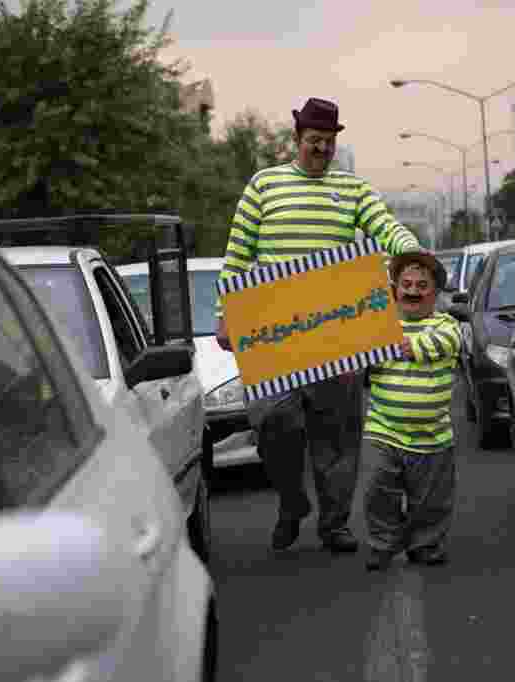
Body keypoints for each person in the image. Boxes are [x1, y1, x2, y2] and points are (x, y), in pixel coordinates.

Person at [215, 97, 422, 554]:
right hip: (273, 326)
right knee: (272, 420)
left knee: (338, 436)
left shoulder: (352, 190)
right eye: (314, 142)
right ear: (298, 140)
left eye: (328, 143)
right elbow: (238, 252)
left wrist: (411, 255)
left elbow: (385, 226)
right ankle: (292, 502)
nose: (322, 150)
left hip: (338, 326)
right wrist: (225, 314)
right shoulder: (263, 186)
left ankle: (334, 523)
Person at [362, 251, 461, 571]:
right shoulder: (376, 325)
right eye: (406, 284)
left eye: (422, 284)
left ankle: (425, 544)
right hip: (383, 429)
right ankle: (382, 543)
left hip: (432, 436)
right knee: (377, 491)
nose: (414, 290)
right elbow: (359, 358)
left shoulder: (446, 325)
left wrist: (407, 346)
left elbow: (445, 343)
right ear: (395, 289)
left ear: (435, 293)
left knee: (431, 501)